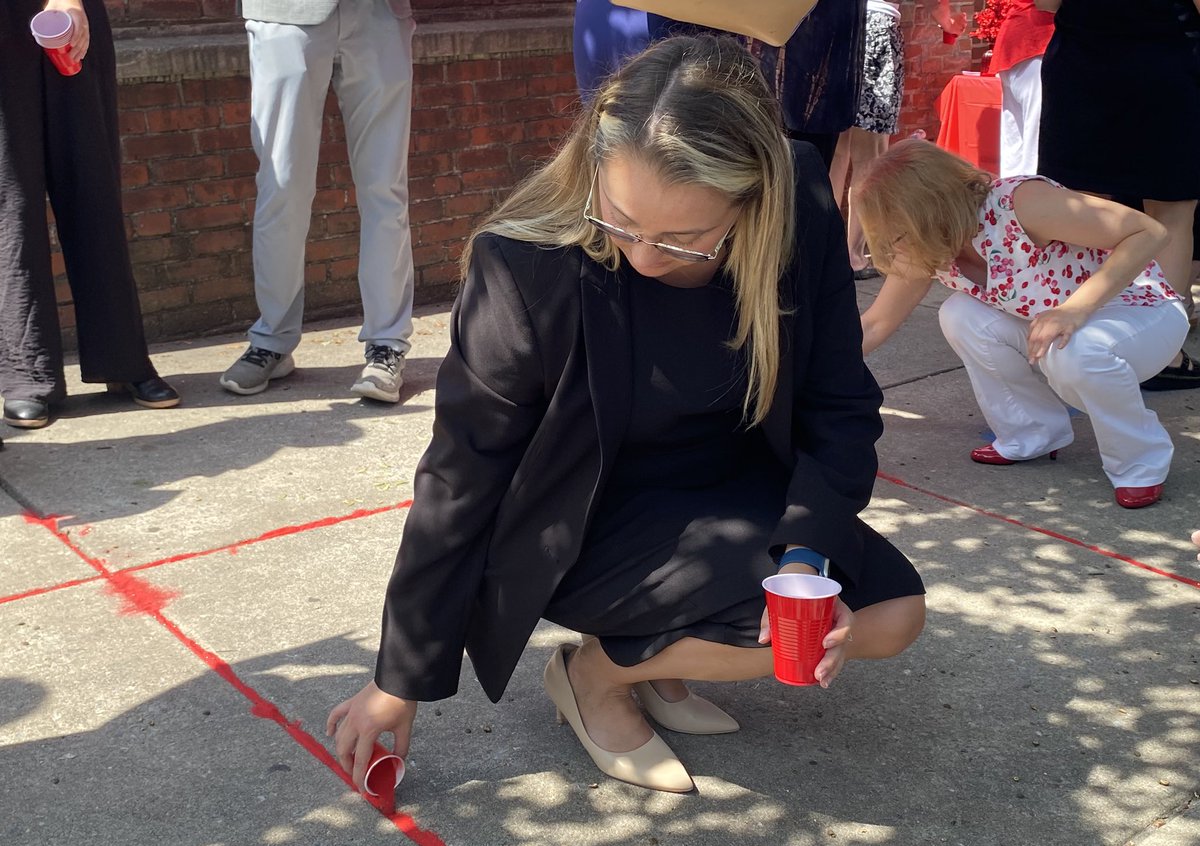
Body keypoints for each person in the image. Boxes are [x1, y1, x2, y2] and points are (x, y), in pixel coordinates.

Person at [326, 35, 926, 795]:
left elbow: (841, 404)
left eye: (683, 239)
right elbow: (461, 474)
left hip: (729, 494)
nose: (643, 256)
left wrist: (804, 558)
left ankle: (655, 657)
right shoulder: (523, 265)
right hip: (584, 522)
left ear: (752, 198)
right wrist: (398, 676)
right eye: (620, 219)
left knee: (893, 614)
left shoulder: (798, 195)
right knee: (781, 614)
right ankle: (597, 674)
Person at [855, 140, 1191, 510]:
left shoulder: (1021, 202)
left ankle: (1141, 460)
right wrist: (806, 371)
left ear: (932, 207)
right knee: (960, 314)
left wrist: (1074, 309)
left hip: (1141, 309)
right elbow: (875, 323)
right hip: (1059, 321)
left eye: (899, 230)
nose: (896, 243)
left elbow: (1149, 232)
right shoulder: (926, 242)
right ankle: (1033, 431)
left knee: (1075, 350)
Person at [220, 0, 416, 403]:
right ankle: (272, 339)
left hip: (379, 13)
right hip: (284, 11)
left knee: (385, 188)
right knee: (281, 185)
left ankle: (387, 344)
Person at [0, 0, 179, 430]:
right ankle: (28, 378)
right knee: (12, 202)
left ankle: (123, 361)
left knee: (92, 187)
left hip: (66, 12)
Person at [1036, 0, 1200, 390]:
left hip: (1081, 61)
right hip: (1166, 60)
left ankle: (1067, 337)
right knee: (1171, 210)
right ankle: (1163, 356)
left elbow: (1043, 2)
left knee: (1080, 205)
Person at [828, 0, 966, 279]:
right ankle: (852, 256)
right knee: (871, 152)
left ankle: (823, 250)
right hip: (877, 26)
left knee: (835, 148)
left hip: (834, 26)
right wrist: (946, 19)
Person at [990, 0, 1054, 177]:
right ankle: (1029, 197)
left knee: (1016, 142)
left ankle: (1010, 200)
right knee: (1037, 139)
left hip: (1021, 37)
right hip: (1037, 39)